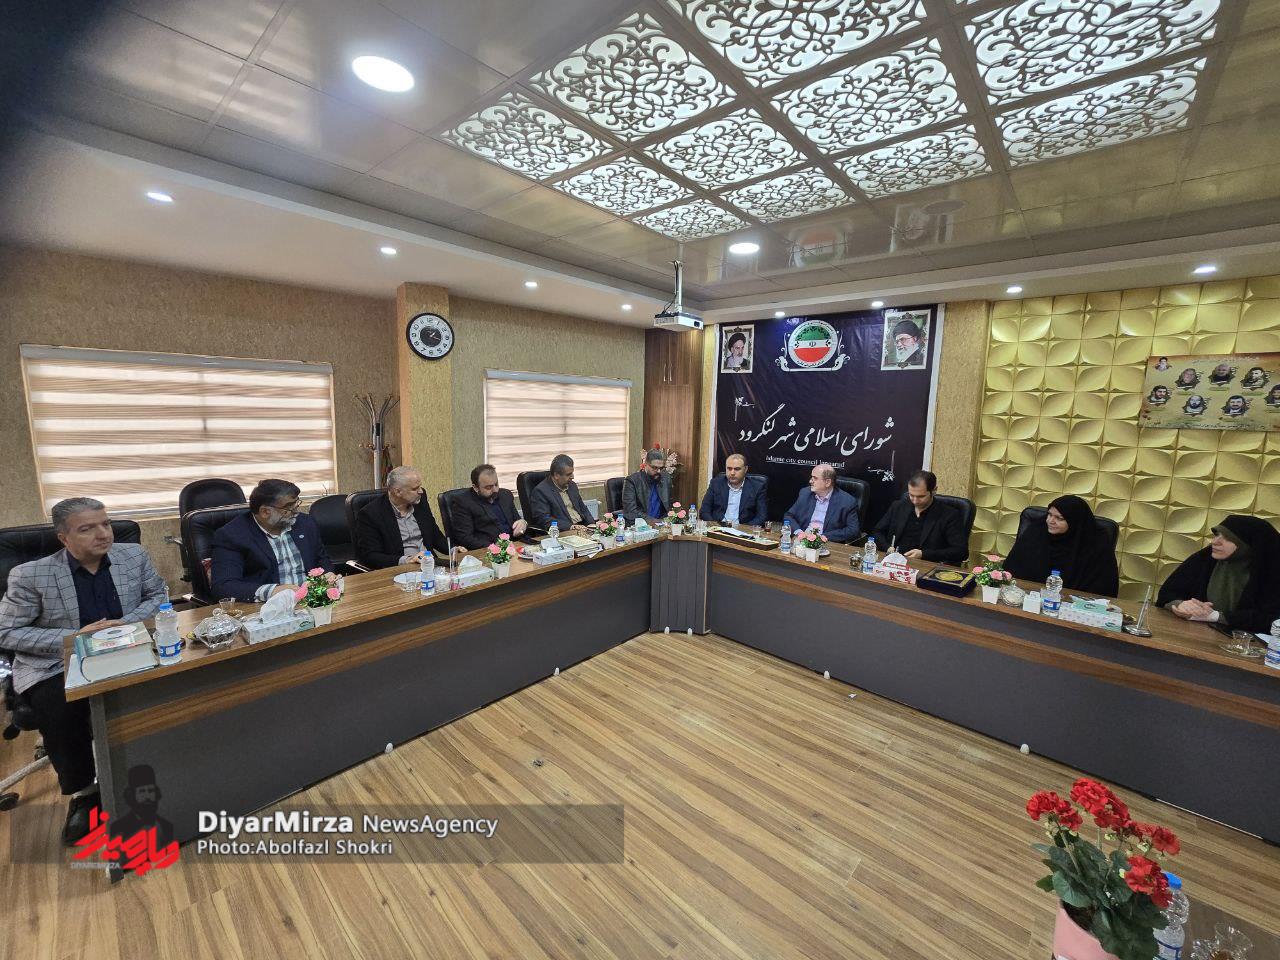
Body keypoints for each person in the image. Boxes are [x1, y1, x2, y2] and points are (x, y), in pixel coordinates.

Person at [0, 497, 166, 843]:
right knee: (63, 708)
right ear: (64, 538)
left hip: (129, 646)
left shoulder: (132, 556)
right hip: (58, 661)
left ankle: (158, 768)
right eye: (87, 529)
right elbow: (8, 632)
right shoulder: (31, 575)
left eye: (105, 524)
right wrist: (75, 637)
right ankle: (84, 793)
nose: (103, 534)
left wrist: (123, 624)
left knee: (166, 687)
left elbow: (158, 595)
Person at [211, 478, 332, 602]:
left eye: (296, 503)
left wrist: (328, 574)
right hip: (267, 605)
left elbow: (321, 559)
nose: (296, 511)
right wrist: (272, 591)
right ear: (265, 512)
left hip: (313, 600)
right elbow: (223, 586)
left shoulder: (305, 523)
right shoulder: (232, 535)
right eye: (289, 507)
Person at [1158, 516, 1280, 633]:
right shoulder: (1205, 558)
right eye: (1216, 535)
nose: (1214, 542)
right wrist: (1181, 604)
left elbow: (1271, 620)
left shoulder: (1272, 572)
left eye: (1227, 538)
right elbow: (1167, 593)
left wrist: (1214, 616)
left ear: (1248, 544)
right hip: (1191, 634)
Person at [1005, 495, 1119, 597]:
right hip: (1026, 599)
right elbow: (1010, 572)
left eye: (1059, 518)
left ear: (1074, 522)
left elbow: (1103, 590)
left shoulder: (1096, 543)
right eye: (1049, 514)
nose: (1051, 521)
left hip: (1075, 607)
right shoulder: (1036, 532)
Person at [355, 466, 461, 569]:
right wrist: (408, 560)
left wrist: (454, 550)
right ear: (397, 492)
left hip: (429, 566)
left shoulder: (419, 501)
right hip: (399, 570)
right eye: (415, 489)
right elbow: (371, 556)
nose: (421, 491)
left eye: (420, 486)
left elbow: (435, 536)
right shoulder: (370, 514)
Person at [870, 470, 968, 565]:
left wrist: (923, 554)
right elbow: (877, 532)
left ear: (934, 491)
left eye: (921, 496)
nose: (915, 501)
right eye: (911, 495)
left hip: (927, 566)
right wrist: (887, 547)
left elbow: (961, 551)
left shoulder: (949, 515)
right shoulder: (898, 507)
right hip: (895, 562)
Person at [450, 464, 528, 550]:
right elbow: (465, 538)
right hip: (488, 551)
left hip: (515, 546)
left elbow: (517, 522)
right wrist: (495, 548)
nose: (495, 490)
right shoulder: (463, 502)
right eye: (488, 487)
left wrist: (523, 523)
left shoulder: (506, 495)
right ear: (475, 488)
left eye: (496, 484)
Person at [783, 464, 860, 543]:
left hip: (827, 543)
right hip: (802, 540)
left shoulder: (847, 501)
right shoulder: (805, 493)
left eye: (815, 478)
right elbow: (789, 516)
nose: (810, 481)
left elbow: (853, 530)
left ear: (827, 482)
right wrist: (799, 532)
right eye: (811, 477)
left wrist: (823, 537)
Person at [530, 454, 595, 532]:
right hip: (565, 531)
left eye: (572, 473)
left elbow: (583, 509)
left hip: (583, 528)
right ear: (556, 475)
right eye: (568, 474)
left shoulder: (572, 485)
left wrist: (591, 524)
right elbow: (544, 519)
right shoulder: (541, 491)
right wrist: (571, 527)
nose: (572, 477)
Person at [699, 453, 768, 527]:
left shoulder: (757, 487)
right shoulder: (716, 483)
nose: (732, 473)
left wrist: (742, 529)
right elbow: (704, 511)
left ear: (745, 469)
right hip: (718, 527)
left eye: (737, 469)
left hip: (743, 529)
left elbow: (762, 517)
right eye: (729, 468)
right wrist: (714, 526)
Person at [622, 449, 672, 523]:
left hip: (662, 524)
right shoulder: (632, 481)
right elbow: (630, 511)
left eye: (661, 468)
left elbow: (669, 506)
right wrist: (655, 521)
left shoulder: (666, 478)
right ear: (645, 464)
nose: (658, 471)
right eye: (654, 467)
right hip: (640, 525)